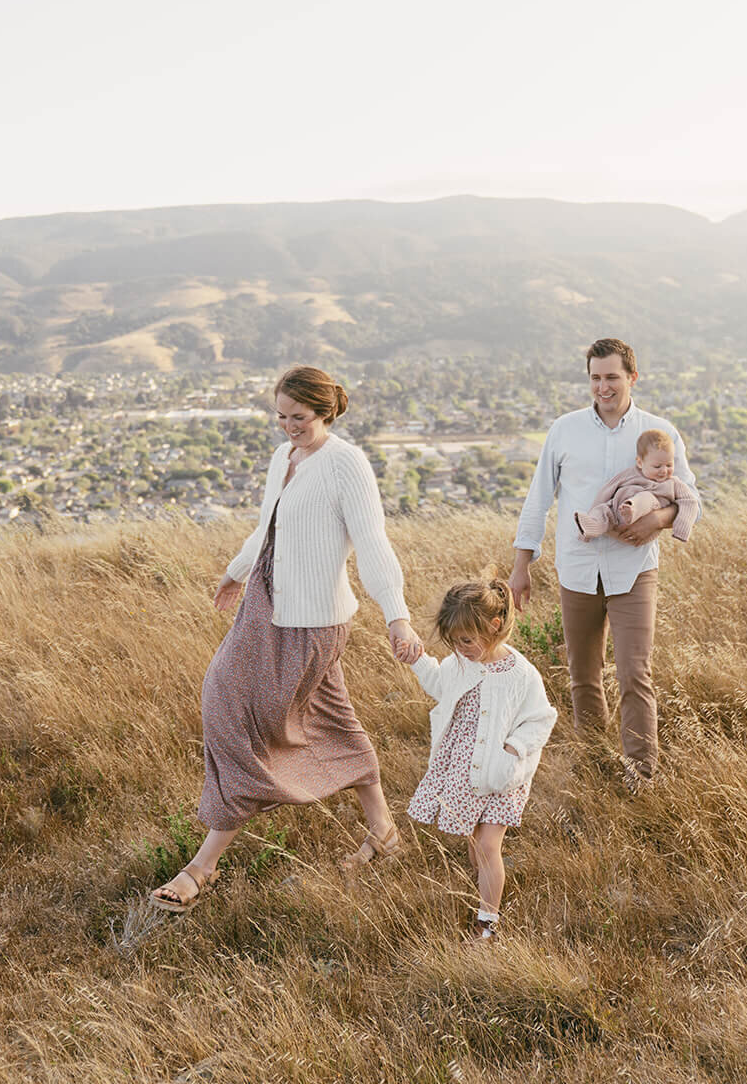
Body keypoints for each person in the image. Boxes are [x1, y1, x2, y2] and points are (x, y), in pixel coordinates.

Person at [151, 365, 422, 912]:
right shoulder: (285, 458)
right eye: (280, 416)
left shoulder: (346, 464)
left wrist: (397, 615)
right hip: (264, 605)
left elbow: (372, 543)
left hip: (311, 621)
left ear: (325, 412)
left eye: (298, 417)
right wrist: (236, 570)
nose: (287, 426)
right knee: (330, 718)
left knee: (237, 714)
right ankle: (384, 833)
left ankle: (203, 865)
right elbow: (266, 527)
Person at [509, 337, 698, 790]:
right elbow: (538, 500)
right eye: (595, 378)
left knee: (635, 673)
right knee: (583, 677)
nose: (603, 387)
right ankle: (595, 773)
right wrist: (521, 566)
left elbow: (690, 496)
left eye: (612, 377)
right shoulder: (565, 430)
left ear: (633, 377)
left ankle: (641, 776)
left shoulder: (660, 431)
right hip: (576, 569)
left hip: (634, 569)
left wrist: (657, 518)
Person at [403, 573, 557, 941]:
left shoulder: (521, 674)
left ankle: (487, 925)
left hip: (502, 774)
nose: (461, 647)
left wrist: (512, 750)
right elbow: (439, 684)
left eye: (468, 640)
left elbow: (542, 718)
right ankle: (483, 892)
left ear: (495, 625)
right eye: (455, 641)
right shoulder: (460, 662)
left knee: (489, 846)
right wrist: (418, 659)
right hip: (464, 770)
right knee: (476, 843)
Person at [574, 429, 700, 543]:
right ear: (640, 462)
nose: (664, 471)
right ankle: (589, 528)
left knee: (646, 497)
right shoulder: (630, 474)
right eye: (657, 466)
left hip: (645, 519)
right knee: (603, 510)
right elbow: (607, 489)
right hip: (616, 514)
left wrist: (681, 529)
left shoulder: (673, 483)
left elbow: (690, 502)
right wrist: (594, 510)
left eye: (669, 465)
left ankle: (631, 510)